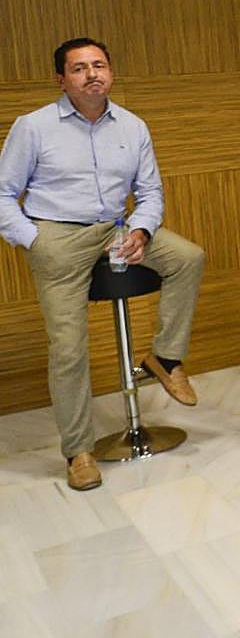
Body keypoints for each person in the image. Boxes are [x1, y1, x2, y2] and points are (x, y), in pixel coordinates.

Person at [0, 38, 206, 491]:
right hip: (57, 235)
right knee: (68, 348)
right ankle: (79, 451)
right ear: (62, 80)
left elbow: (150, 192)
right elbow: (3, 193)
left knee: (188, 257)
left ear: (111, 72)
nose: (92, 74)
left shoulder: (132, 126)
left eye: (99, 65)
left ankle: (165, 357)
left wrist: (142, 231)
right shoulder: (33, 127)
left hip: (116, 228)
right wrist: (33, 241)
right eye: (79, 68)